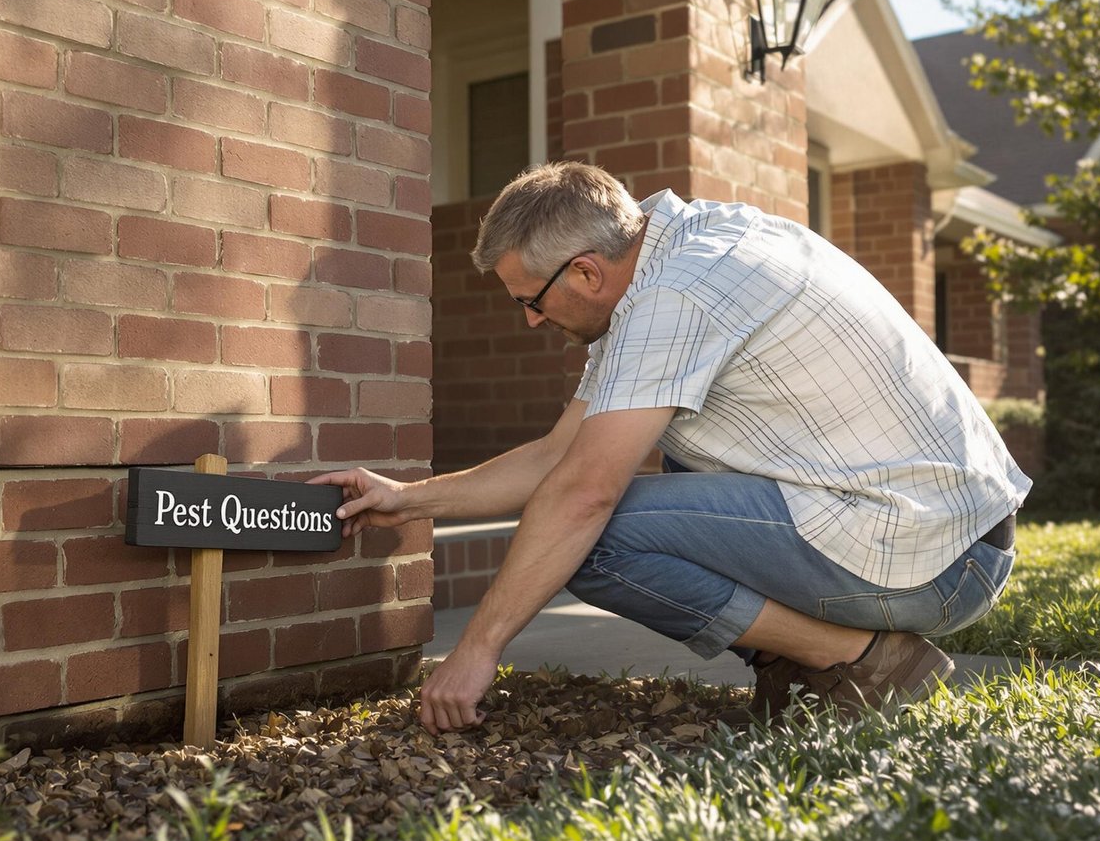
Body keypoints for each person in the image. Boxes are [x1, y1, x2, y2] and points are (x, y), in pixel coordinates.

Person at [311, 161, 1030, 734]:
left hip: (935, 558)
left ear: (585, 272)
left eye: (530, 299)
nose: (530, 320)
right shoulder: (674, 250)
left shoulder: (676, 296)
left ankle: (854, 660)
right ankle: (826, 663)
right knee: (634, 467)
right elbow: (563, 456)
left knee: (590, 537)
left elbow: (583, 493)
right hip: (938, 532)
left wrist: (478, 647)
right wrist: (409, 499)